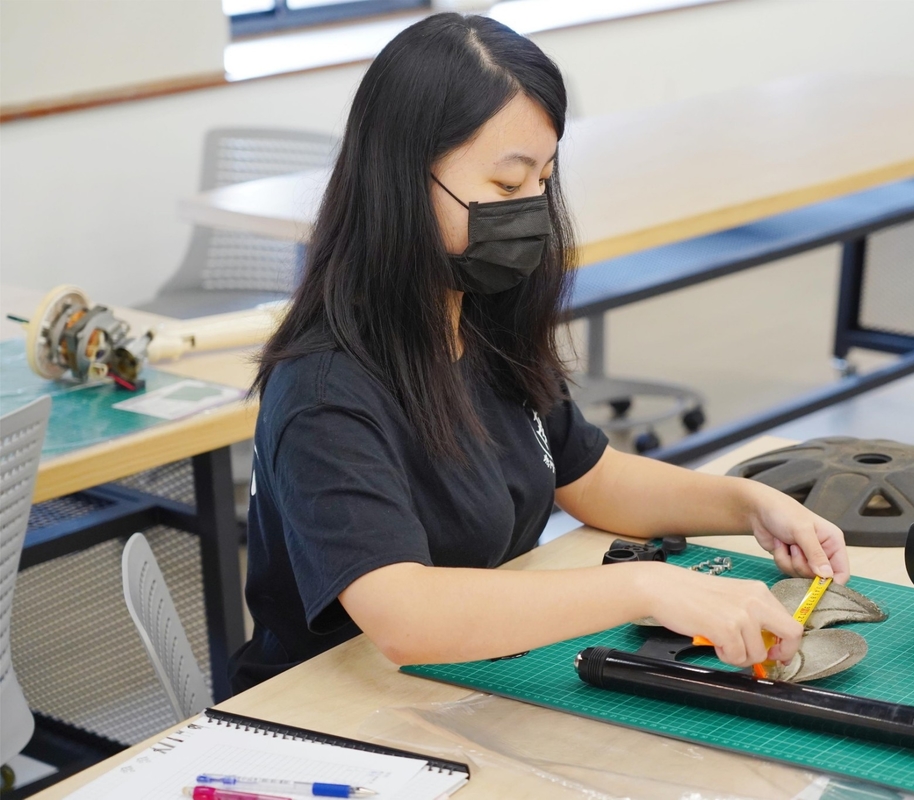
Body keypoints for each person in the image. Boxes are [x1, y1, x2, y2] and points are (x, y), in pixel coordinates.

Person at [230, 12, 849, 694]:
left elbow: (592, 478)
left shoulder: (482, 319)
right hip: (331, 708)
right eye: (505, 185)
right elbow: (402, 614)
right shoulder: (324, 389)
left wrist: (748, 504)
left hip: (463, 683)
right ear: (401, 181)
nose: (530, 209)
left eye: (543, 182)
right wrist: (642, 586)